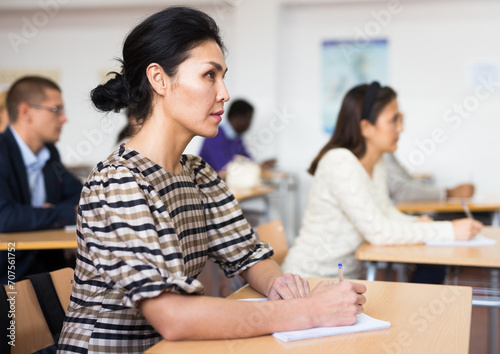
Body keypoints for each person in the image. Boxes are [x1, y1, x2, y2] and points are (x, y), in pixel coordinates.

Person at [58, 7, 366, 353]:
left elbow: (249, 257)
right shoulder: (118, 182)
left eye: (223, 77)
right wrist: (305, 311)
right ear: (159, 79)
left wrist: (280, 285)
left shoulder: (198, 174)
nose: (224, 93)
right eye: (209, 76)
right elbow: (174, 316)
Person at [282, 82, 483, 281]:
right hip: (307, 280)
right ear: (366, 127)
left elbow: (385, 213)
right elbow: (378, 232)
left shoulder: (376, 162)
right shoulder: (339, 162)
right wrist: (448, 230)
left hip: (344, 279)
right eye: (394, 120)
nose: (401, 128)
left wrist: (414, 222)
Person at [0, 76, 83, 283]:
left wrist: (44, 215)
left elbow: (81, 195)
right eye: (56, 110)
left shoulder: (49, 153)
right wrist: (58, 213)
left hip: (48, 267)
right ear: (26, 112)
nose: (64, 118)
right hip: (9, 272)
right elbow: (4, 217)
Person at [199, 98, 276, 171]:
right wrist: (255, 168)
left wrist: (260, 166)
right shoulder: (214, 136)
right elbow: (225, 168)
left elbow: (248, 161)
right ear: (236, 117)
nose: (249, 125)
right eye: (248, 120)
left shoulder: (237, 138)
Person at [385, 152, 474, 203]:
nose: (401, 128)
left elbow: (408, 180)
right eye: (393, 121)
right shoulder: (382, 155)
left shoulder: (386, 153)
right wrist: (448, 193)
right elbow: (402, 191)